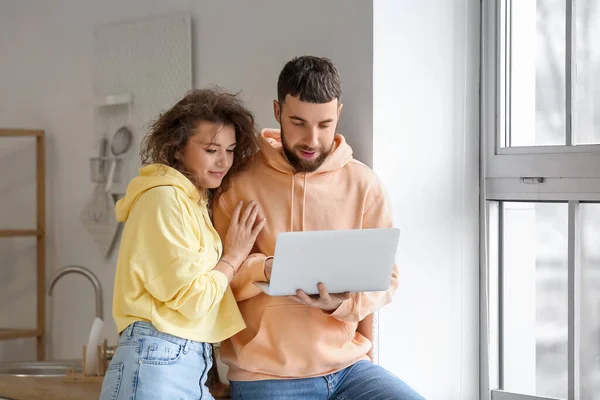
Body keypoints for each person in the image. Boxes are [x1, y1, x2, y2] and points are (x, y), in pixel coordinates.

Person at [212, 56, 424, 399]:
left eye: (325, 124)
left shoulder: (364, 185)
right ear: (278, 111)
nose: (312, 139)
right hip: (264, 374)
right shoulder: (236, 184)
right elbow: (212, 282)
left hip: (347, 369)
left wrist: (342, 304)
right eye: (298, 122)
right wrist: (263, 269)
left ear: (339, 112)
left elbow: (387, 279)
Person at [99, 88, 266, 399]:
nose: (223, 162)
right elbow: (192, 299)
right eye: (211, 149)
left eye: (229, 150)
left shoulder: (193, 202)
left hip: (182, 362)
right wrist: (233, 255)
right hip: (155, 360)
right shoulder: (163, 199)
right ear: (176, 148)